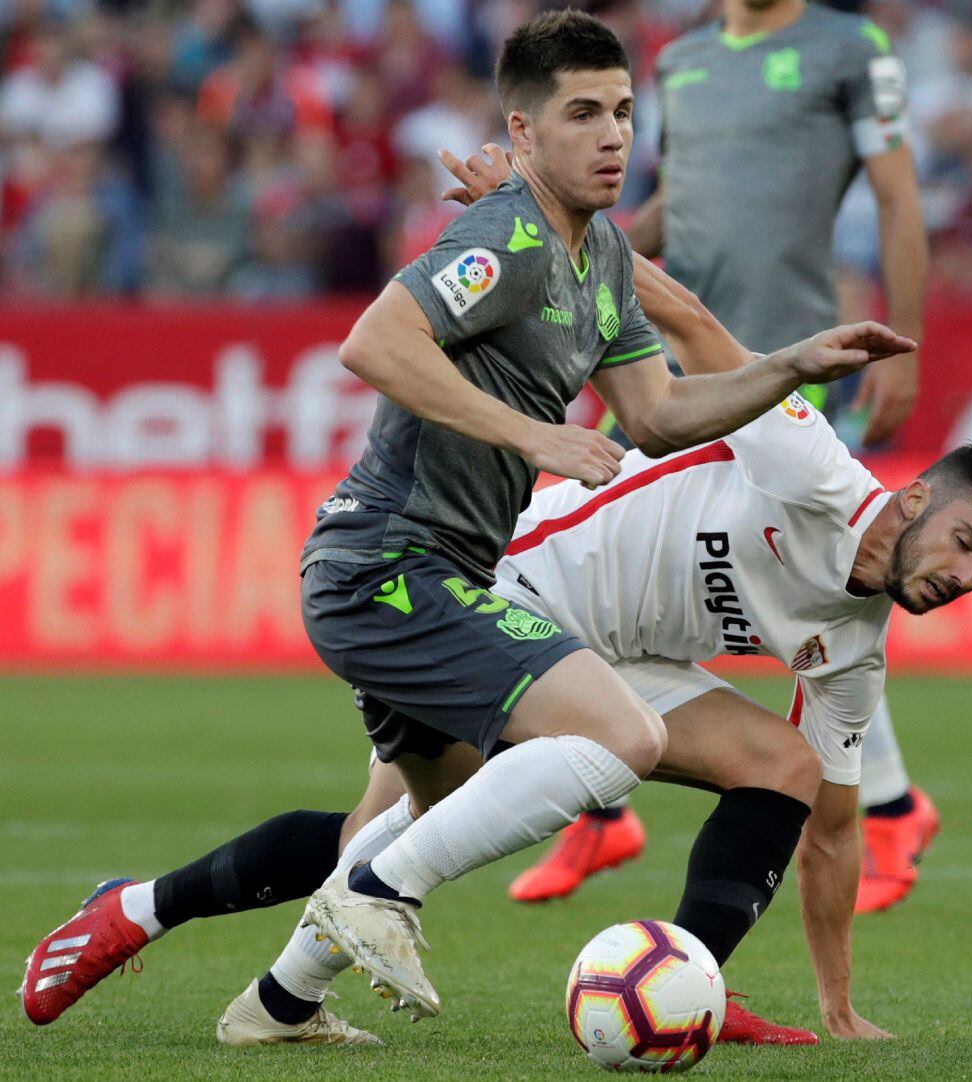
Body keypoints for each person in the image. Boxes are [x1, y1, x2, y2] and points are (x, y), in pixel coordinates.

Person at [19, 8, 912, 1033]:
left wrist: (788, 366)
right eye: (582, 114)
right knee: (616, 734)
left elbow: (660, 414)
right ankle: (375, 898)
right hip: (387, 561)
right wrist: (532, 438)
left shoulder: (603, 260)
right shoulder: (508, 234)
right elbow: (374, 342)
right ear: (522, 134)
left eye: (624, 111)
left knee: (399, 818)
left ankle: (184, 942)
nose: (614, 134)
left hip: (445, 570)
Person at [19, 259, 972, 1047]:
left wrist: (840, 1005)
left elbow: (833, 829)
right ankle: (156, 914)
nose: (964, 575)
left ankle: (689, 985)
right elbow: (683, 318)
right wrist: (560, 241)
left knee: (786, 765)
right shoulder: (810, 463)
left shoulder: (853, 648)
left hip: (610, 657)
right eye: (964, 540)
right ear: (915, 498)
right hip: (508, 584)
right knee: (386, 834)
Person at [511, 0, 935, 911]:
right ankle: (604, 809)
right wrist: (558, 239)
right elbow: (673, 207)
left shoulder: (846, 47)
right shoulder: (684, 58)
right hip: (672, 359)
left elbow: (898, 195)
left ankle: (890, 806)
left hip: (785, 355)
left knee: (836, 576)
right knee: (611, 551)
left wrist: (908, 339)